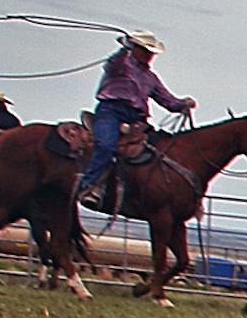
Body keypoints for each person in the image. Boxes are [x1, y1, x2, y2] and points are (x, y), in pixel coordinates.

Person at [77, 30, 194, 210]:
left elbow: (167, 101)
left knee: (157, 150)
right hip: (111, 112)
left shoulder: (150, 77)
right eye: (146, 51)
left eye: (151, 52)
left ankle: (143, 194)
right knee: (106, 145)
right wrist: (126, 46)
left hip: (137, 120)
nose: (150, 56)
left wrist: (183, 103)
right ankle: (89, 186)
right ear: (136, 49)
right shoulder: (120, 64)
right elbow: (114, 62)